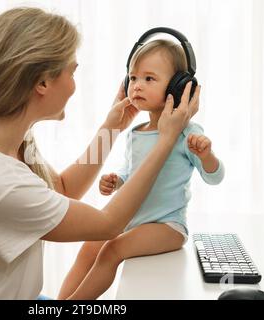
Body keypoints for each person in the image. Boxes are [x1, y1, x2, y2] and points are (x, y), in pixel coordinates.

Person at [0, 7, 200, 300]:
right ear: (42, 83)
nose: (75, 86)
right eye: (72, 71)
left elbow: (63, 188)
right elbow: (109, 224)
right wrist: (165, 141)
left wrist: (111, 129)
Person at [58, 39, 224, 300]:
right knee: (90, 246)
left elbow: (215, 177)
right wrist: (119, 180)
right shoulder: (136, 132)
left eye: (149, 78)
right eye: (133, 77)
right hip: (133, 222)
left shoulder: (187, 133)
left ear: (178, 87)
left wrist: (207, 155)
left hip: (166, 226)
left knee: (112, 250)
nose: (136, 85)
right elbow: (136, 172)